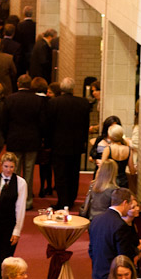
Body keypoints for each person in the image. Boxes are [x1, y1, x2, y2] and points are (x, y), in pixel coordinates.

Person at [88, 188, 139, 279]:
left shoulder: (96, 220)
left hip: (97, 272)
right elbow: (124, 257)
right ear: (125, 203)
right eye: (130, 204)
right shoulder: (121, 226)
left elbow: (91, 249)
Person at [4, 74, 46, 210]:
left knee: (13, 170)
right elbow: (42, 123)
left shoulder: (10, 99)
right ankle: (27, 201)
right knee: (29, 171)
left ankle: (13, 198)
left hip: (14, 139)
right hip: (32, 140)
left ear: (18, 84)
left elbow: (5, 121)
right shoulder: (38, 101)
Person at [48, 76, 91, 210]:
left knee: (60, 174)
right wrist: (84, 142)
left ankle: (63, 201)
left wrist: (48, 142)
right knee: (73, 173)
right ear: (73, 89)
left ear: (61, 88)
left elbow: (49, 125)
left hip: (59, 144)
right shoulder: (83, 103)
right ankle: (72, 198)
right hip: (76, 145)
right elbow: (86, 125)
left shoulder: (54, 103)